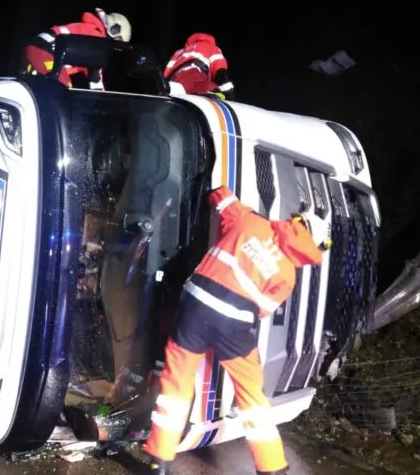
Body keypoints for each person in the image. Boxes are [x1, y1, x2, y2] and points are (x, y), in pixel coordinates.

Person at [142, 186, 331, 475]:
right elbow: (263, 310)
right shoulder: (287, 275)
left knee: (176, 385)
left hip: (194, 310)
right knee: (252, 396)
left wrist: (216, 196)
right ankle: (272, 467)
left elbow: (220, 196)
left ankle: (159, 461)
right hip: (234, 325)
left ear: (295, 221)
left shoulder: (250, 221)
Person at [23, 8, 131, 89]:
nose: (115, 45)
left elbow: (94, 76)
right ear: (114, 29)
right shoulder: (96, 37)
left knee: (49, 90)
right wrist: (103, 107)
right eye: (118, 40)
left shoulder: (93, 33)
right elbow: (96, 77)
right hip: (46, 50)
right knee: (60, 93)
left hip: (41, 48)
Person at [164, 33, 234, 98]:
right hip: (194, 76)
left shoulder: (179, 52)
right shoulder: (212, 48)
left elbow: (166, 71)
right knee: (211, 88)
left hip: (175, 80)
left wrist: (163, 84)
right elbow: (219, 68)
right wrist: (228, 91)